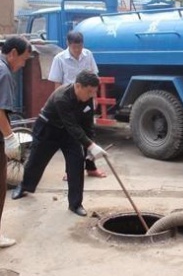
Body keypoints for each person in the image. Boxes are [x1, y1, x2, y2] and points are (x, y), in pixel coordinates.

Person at [12, 70, 108, 217]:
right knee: (36, 161)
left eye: (94, 92)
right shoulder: (61, 97)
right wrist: (90, 145)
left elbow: (87, 124)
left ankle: (75, 204)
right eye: (89, 92)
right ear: (78, 86)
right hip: (48, 129)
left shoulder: (87, 97)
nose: (91, 96)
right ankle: (24, 186)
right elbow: (71, 125)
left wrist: (90, 143)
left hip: (69, 134)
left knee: (76, 164)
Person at [48, 31, 106, 179]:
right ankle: (71, 171)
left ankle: (91, 168)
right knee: (71, 136)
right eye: (75, 47)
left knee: (89, 132)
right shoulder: (59, 59)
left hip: (86, 100)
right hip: (69, 102)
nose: (78, 50)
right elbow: (57, 84)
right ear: (68, 44)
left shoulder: (88, 55)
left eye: (80, 47)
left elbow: (95, 77)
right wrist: (59, 106)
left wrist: (95, 97)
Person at [0, 36, 32, 248]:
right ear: (12, 53)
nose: (22, 65)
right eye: (23, 60)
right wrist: (10, 137)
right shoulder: (4, 73)